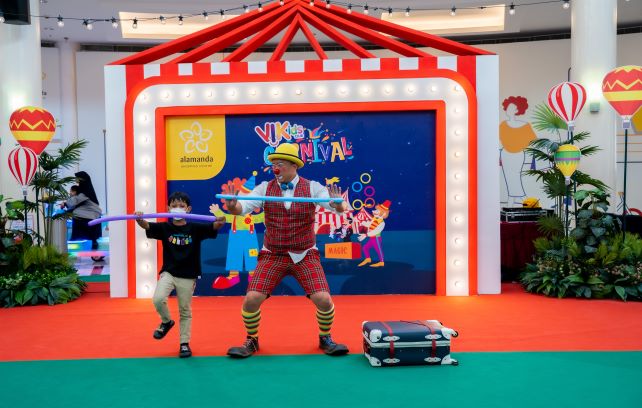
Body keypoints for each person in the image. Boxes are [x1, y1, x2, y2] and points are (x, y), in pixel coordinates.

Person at [223, 143, 350, 358]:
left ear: (294, 166)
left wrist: (338, 205)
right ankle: (251, 340)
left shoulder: (313, 188)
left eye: (280, 164)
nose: (275, 168)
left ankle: (325, 338)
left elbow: (336, 206)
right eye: (273, 164)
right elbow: (241, 208)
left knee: (324, 299)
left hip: (305, 254)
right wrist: (232, 205)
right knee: (251, 299)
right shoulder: (264, 188)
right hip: (273, 254)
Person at [135, 191, 225, 358]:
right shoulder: (164, 228)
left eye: (181, 206)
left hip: (188, 275)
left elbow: (215, 226)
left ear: (188, 209)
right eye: (174, 206)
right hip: (169, 272)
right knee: (158, 299)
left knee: (185, 310)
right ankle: (166, 321)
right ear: (168, 208)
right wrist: (139, 219)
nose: (177, 208)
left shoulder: (195, 228)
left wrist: (220, 220)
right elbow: (147, 225)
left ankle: (184, 343)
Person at [62, 171, 102, 250]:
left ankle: (75, 239)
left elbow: (76, 200)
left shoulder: (85, 191)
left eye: (77, 178)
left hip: (91, 214)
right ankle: (85, 240)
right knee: (75, 213)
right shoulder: (86, 189)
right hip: (91, 213)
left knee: (76, 214)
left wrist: (65, 203)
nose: (76, 180)